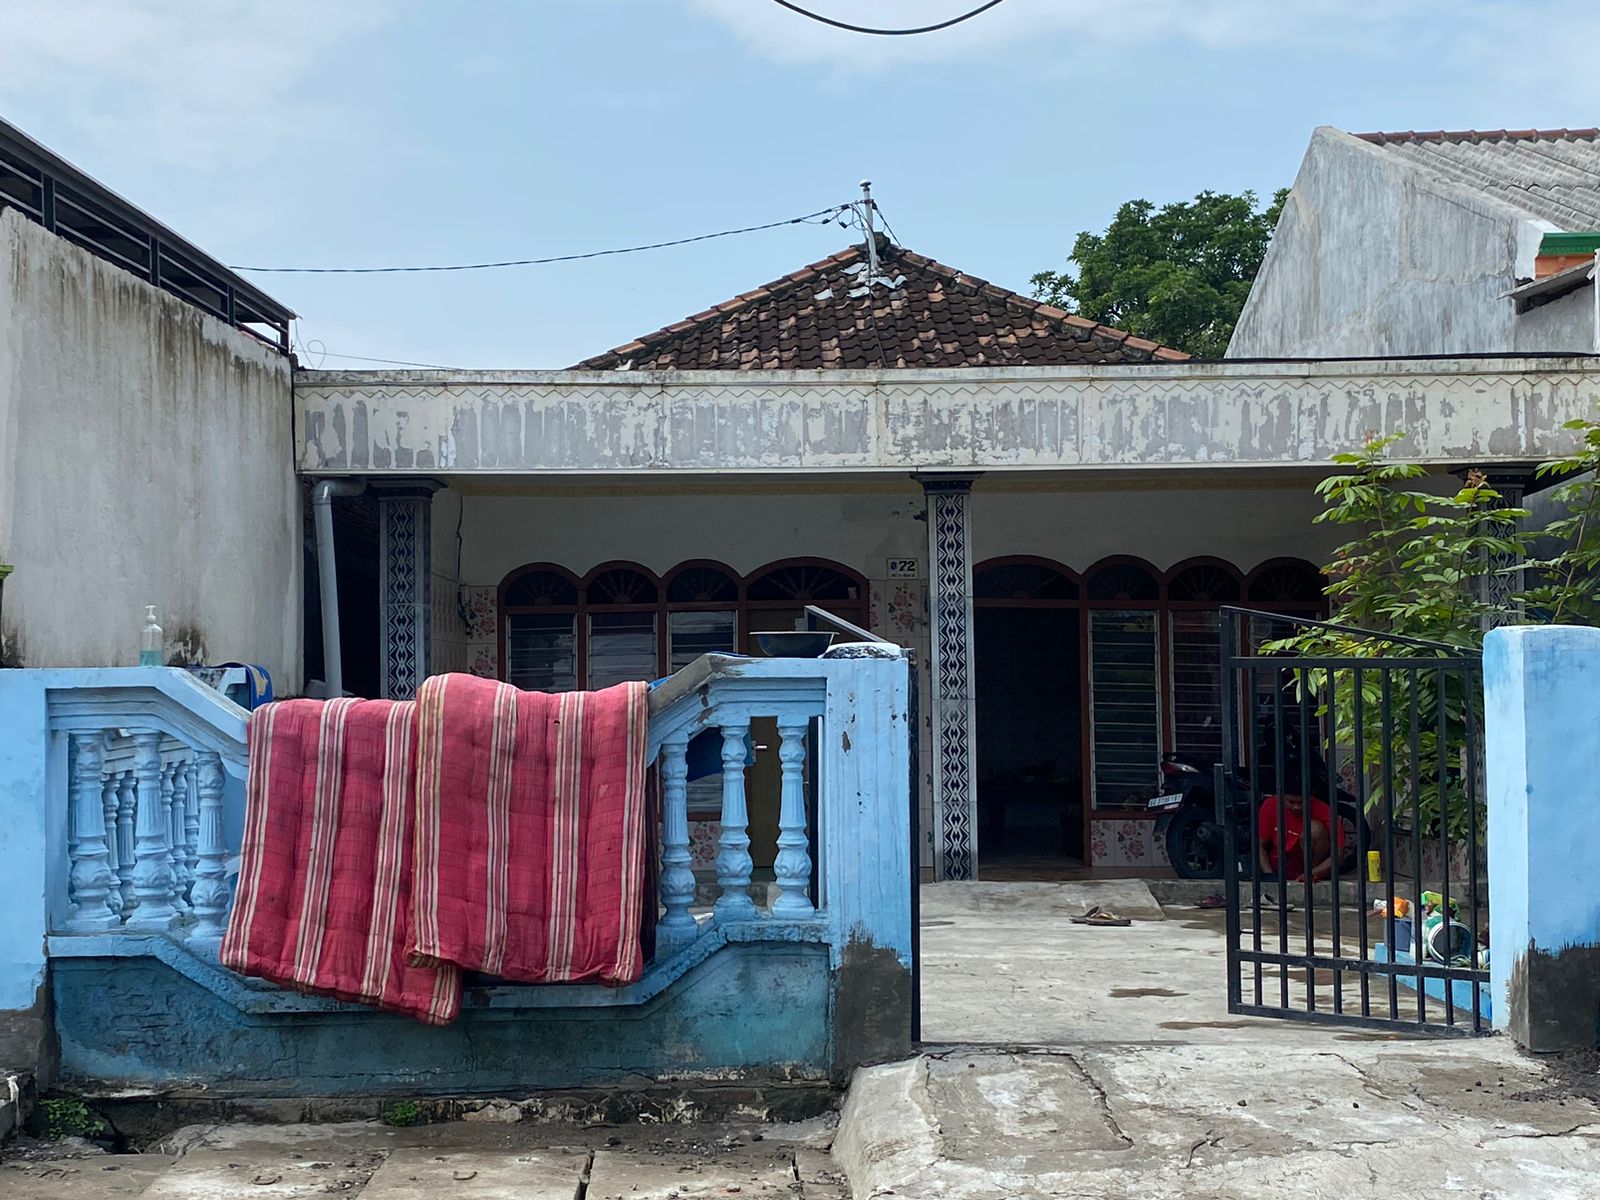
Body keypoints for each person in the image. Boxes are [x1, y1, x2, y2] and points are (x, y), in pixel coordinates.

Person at [1257, 790, 1345, 882]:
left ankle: (1309, 876)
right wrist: (1269, 875)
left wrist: (1312, 874)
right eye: (1291, 802)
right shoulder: (1271, 804)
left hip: (1310, 866)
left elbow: (1338, 856)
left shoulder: (1324, 810)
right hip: (1280, 862)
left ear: (1310, 798)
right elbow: (1260, 845)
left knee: (1315, 829)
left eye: (1301, 802)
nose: (1296, 807)